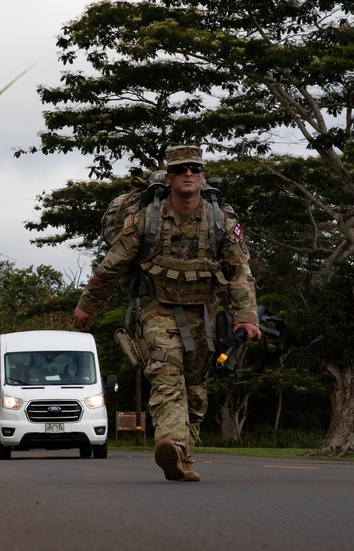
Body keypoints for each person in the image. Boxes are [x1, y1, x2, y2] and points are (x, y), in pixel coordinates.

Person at [74, 145, 260, 482]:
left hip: (204, 310)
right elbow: (111, 266)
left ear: (202, 177)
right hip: (157, 308)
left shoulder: (223, 220)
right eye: (181, 169)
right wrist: (88, 306)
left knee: (197, 388)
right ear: (170, 177)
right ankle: (171, 443)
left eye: (194, 168)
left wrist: (246, 316)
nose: (188, 174)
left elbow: (239, 270)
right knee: (166, 373)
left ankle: (181, 458)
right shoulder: (147, 220)